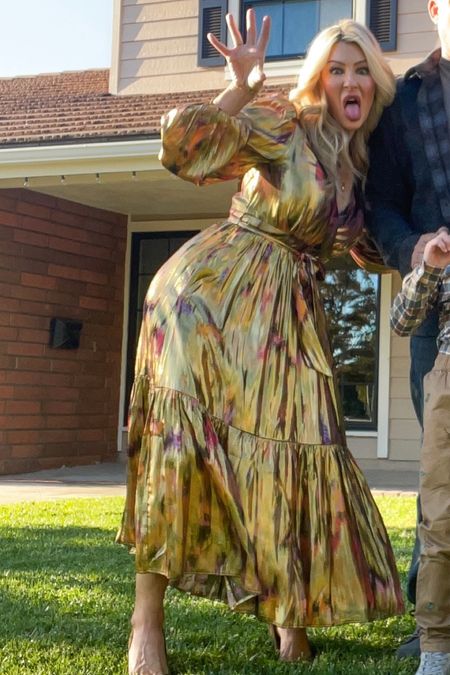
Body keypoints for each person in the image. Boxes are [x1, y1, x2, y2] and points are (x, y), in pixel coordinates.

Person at [117, 11, 404, 675]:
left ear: (377, 84)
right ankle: (146, 624)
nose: (351, 79)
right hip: (207, 298)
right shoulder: (286, 123)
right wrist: (241, 86)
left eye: (363, 68)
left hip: (286, 320)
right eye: (339, 69)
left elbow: (371, 248)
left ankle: (288, 615)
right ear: (320, 80)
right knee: (181, 452)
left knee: (301, 451)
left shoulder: (362, 167)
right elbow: (185, 148)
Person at [365, 0, 450, 658]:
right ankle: (432, 620)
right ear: (433, 9)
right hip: (439, 314)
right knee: (439, 466)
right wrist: (416, 244)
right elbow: (382, 207)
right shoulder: (404, 102)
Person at [390, 227, 450, 675]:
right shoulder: (444, 247)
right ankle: (436, 648)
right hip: (448, 385)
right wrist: (429, 265)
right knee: (440, 518)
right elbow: (402, 321)